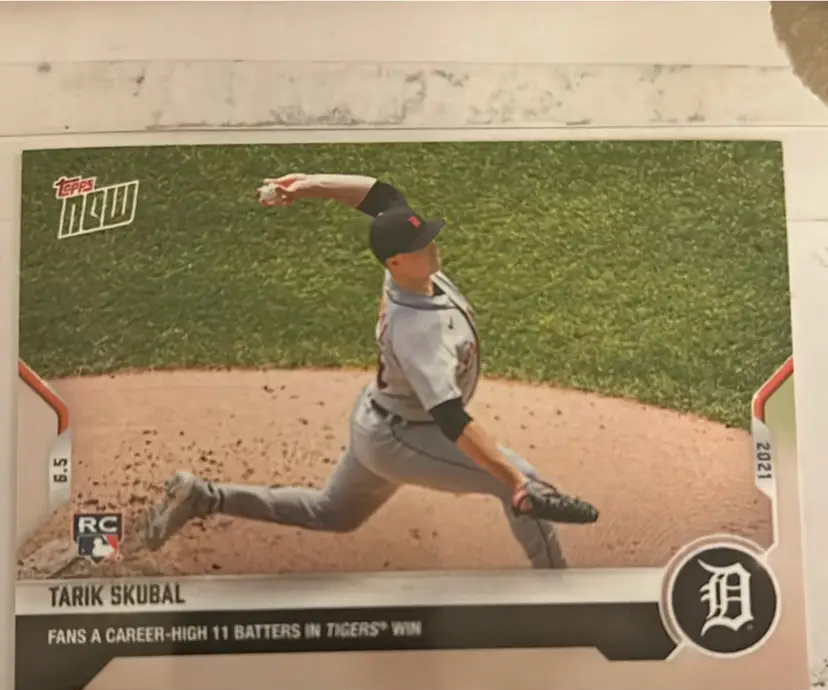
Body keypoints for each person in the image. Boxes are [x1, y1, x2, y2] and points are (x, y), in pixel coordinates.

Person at [141, 172, 598, 568]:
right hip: (405, 437)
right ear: (395, 261)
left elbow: (383, 197)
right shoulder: (419, 332)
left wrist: (307, 185)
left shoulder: (408, 273)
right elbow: (451, 418)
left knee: (331, 513)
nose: (432, 247)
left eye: (428, 237)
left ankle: (204, 496)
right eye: (421, 246)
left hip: (378, 419)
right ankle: (559, 588)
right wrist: (514, 481)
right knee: (523, 486)